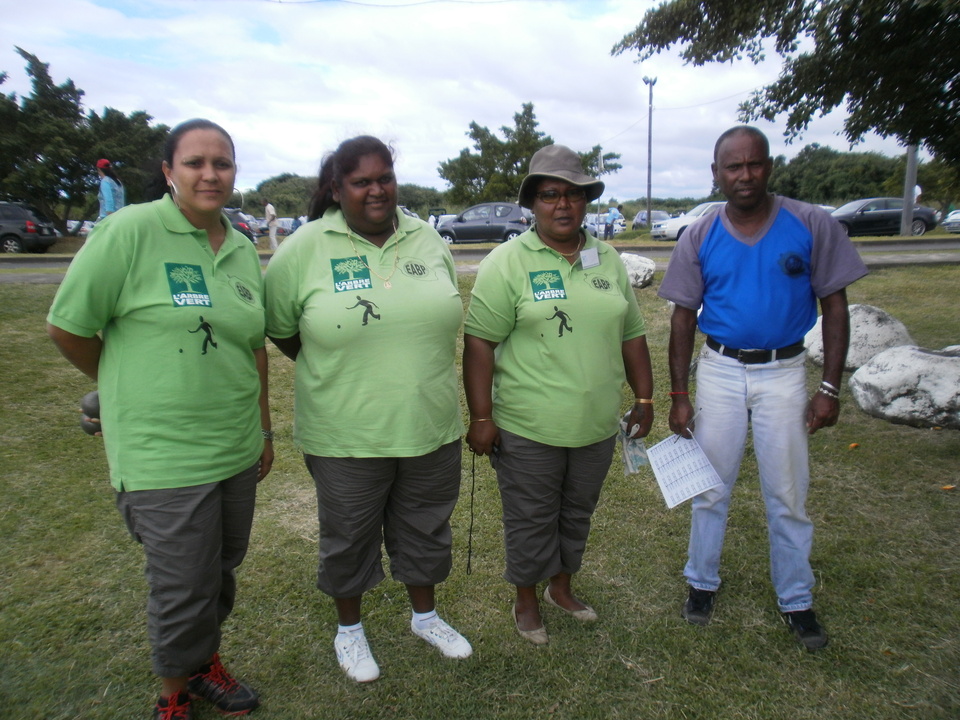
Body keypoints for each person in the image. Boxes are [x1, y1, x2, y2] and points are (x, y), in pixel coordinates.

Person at [47, 119, 272, 718]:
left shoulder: (244, 246)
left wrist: (264, 429)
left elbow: (253, 346)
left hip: (234, 444)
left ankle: (202, 665)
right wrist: (121, 387)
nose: (210, 173)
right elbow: (67, 327)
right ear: (169, 171)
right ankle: (173, 694)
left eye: (221, 163)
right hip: (162, 452)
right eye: (195, 162)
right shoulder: (131, 231)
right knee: (182, 584)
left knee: (219, 572)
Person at [263, 135, 471, 683]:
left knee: (426, 527)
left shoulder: (427, 239)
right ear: (337, 188)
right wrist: (338, 365)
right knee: (349, 535)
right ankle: (349, 632)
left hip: (429, 423)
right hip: (344, 432)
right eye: (362, 181)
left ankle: (424, 617)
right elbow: (283, 329)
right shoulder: (303, 248)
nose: (376, 190)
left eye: (385, 178)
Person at [658, 125, 868, 651]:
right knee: (711, 488)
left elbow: (835, 307)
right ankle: (701, 584)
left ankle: (797, 598)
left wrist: (830, 388)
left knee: (788, 493)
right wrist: (678, 395)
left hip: (784, 373)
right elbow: (683, 319)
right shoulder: (700, 234)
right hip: (721, 371)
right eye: (733, 166)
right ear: (716, 174)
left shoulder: (811, 223)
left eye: (754, 164)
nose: (745, 175)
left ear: (769, 166)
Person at [463, 144, 654, 645]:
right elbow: (479, 341)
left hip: (594, 424)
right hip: (529, 425)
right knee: (530, 518)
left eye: (574, 194)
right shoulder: (507, 262)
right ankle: (526, 600)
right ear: (532, 203)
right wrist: (482, 417)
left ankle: (561, 588)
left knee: (577, 512)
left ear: (587, 201)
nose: (563, 205)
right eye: (551, 195)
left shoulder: (606, 258)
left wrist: (646, 397)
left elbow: (631, 331)